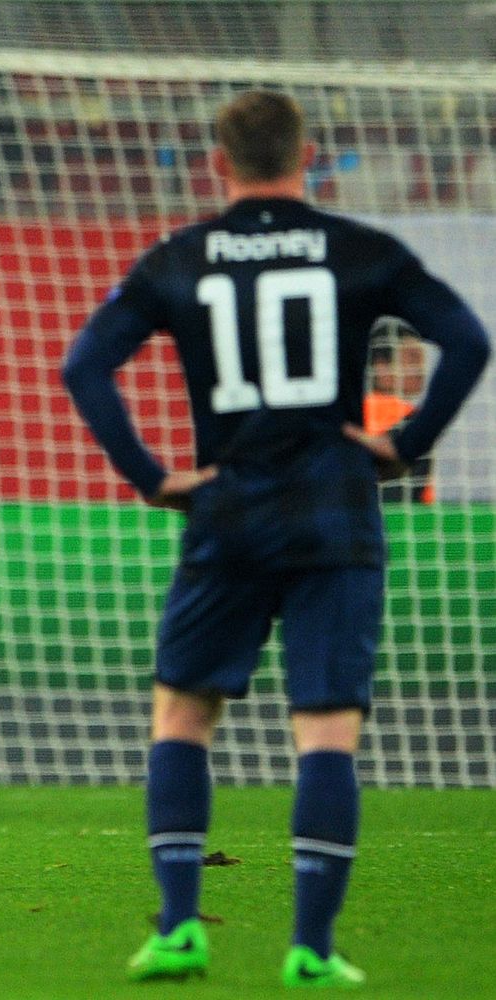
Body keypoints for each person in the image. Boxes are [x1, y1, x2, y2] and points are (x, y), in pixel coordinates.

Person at [62, 90, 489, 988]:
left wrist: (152, 477)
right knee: (326, 730)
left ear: (219, 163)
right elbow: (466, 339)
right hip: (335, 508)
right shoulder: (360, 250)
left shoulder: (181, 258)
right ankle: (312, 948)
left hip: (227, 508)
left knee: (183, 715)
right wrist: (405, 444)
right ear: (312, 156)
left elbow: (85, 365)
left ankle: (180, 928)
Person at [363, 318, 434, 503]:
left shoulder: (345, 415)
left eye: (422, 359)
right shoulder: (410, 417)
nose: (421, 368)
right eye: (412, 358)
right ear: (380, 367)